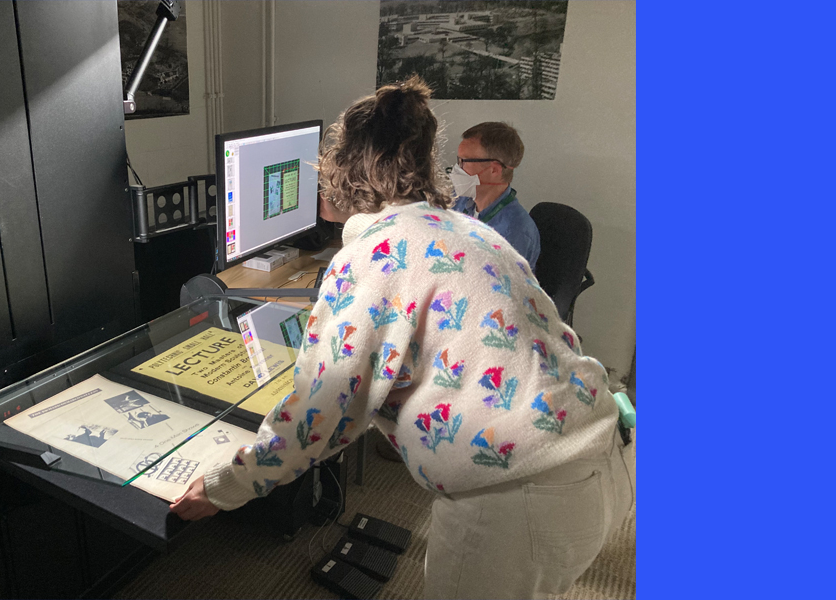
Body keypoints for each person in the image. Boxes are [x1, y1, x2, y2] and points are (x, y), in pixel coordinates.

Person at [169, 76, 632, 599]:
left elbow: (321, 414)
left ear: (342, 177)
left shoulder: (375, 256)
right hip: (602, 454)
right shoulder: (471, 230)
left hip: (522, 491)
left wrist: (223, 487)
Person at [449, 122, 542, 267]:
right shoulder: (461, 201)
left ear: (494, 170)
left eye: (464, 162)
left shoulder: (514, 233)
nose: (457, 169)